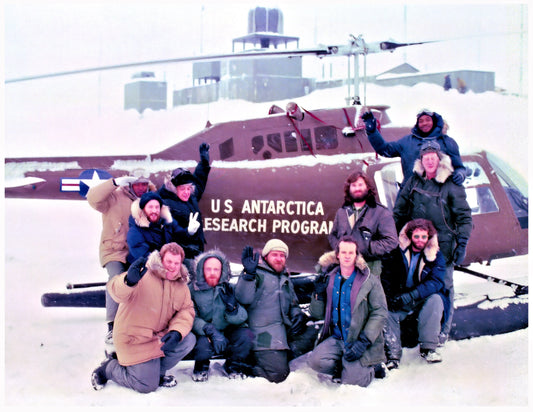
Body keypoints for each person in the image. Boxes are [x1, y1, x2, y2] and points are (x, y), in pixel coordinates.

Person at [393, 141, 472, 344]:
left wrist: (461, 244)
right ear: (421, 161)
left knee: (444, 287)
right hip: (416, 245)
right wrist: (395, 237)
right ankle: (419, 325)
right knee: (417, 283)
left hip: (442, 247)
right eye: (425, 157)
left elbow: (464, 217)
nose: (429, 160)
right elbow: (399, 210)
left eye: (433, 157)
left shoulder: (451, 185)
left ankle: (442, 331)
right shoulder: (413, 182)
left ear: (439, 159)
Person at [91, 242, 196, 393]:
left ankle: (156, 373)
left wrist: (177, 331)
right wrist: (128, 281)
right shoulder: (143, 274)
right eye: (169, 261)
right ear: (160, 259)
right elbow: (115, 291)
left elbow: (186, 310)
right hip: (133, 339)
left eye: (176, 263)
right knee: (147, 386)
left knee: (188, 339)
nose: (172, 266)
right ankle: (108, 368)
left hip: (157, 338)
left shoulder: (181, 286)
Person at [307, 235, 387, 386]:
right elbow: (317, 314)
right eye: (343, 252)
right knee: (315, 362)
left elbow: (380, 312)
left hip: (359, 339)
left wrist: (363, 341)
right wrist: (318, 294)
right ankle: (345, 366)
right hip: (337, 338)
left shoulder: (369, 279)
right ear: (337, 254)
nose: (347, 256)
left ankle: (372, 366)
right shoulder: (329, 278)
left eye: (351, 252)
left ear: (357, 255)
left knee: (352, 382)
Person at [235, 239, 315, 383]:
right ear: (266, 257)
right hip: (263, 335)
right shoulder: (256, 273)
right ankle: (247, 365)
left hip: (284, 331)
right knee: (278, 375)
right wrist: (248, 275)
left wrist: (298, 315)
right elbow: (243, 298)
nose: (279, 259)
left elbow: (293, 304)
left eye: (282, 255)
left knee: (315, 330)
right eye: (275, 255)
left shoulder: (285, 277)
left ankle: (278, 356)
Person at [87, 174, 154, 344]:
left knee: (145, 280)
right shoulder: (114, 197)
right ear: (130, 184)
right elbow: (93, 199)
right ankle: (112, 325)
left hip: (137, 250)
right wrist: (113, 183)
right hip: (114, 250)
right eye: (137, 185)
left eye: (143, 185)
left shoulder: (150, 198)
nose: (141, 188)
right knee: (116, 278)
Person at [380, 219, 449, 368]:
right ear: (410, 236)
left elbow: (436, 282)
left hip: (419, 298)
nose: (420, 241)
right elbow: (386, 275)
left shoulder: (436, 256)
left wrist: (412, 295)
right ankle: (393, 355)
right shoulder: (396, 252)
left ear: (428, 237)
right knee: (386, 310)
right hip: (400, 296)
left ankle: (428, 348)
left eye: (423, 237)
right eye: (416, 236)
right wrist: (391, 296)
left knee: (436, 300)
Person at [188, 249, 254, 382]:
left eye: (216, 270)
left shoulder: (229, 288)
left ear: (222, 271)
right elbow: (190, 316)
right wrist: (209, 330)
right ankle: (201, 366)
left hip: (227, 329)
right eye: (208, 269)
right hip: (205, 332)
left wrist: (232, 309)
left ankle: (233, 366)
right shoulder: (192, 290)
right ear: (202, 270)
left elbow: (243, 316)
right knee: (202, 345)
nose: (212, 273)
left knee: (246, 336)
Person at [361, 108, 467, 187]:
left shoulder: (447, 142)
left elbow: (459, 167)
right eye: (421, 121)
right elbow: (385, 150)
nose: (424, 123)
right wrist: (372, 132)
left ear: (435, 121)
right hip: (411, 195)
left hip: (441, 195)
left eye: (428, 120)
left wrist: (460, 174)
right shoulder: (407, 142)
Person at [328, 170, 398, 276]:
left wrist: (365, 248)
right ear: (349, 189)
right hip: (344, 268)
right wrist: (340, 248)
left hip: (369, 268)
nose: (357, 188)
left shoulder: (381, 212)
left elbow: (391, 241)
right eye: (354, 185)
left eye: (360, 185)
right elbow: (332, 235)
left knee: (365, 293)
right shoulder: (342, 212)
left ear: (368, 187)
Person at [159, 142, 211, 271]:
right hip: (180, 258)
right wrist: (188, 232)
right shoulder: (166, 204)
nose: (187, 192)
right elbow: (170, 234)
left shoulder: (190, 197)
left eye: (189, 188)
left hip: (195, 252)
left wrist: (204, 163)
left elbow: (199, 181)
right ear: (174, 188)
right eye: (183, 189)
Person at [126, 191, 199, 264]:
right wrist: (167, 260)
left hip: (169, 261)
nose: (154, 210)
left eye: (157, 207)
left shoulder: (167, 223)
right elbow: (143, 256)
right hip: (146, 266)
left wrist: (189, 232)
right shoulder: (135, 231)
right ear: (143, 209)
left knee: (192, 265)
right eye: (150, 207)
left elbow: (179, 236)